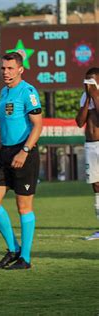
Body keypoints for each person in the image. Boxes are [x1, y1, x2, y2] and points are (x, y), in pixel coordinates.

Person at [0, 52, 42, 270]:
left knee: (23, 206)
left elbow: (38, 125)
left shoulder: (28, 92)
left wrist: (24, 151)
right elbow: (4, 128)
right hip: (5, 153)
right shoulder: (4, 93)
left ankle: (25, 258)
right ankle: (13, 249)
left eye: (10, 68)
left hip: (24, 152)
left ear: (20, 69)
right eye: (3, 69)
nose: (6, 72)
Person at [75, 67, 99, 241]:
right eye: (86, 80)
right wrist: (88, 98)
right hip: (91, 145)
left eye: (91, 79)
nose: (87, 83)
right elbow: (79, 122)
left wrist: (95, 95)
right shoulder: (85, 97)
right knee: (96, 186)